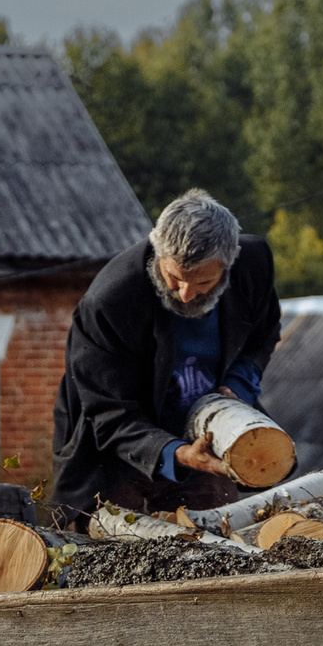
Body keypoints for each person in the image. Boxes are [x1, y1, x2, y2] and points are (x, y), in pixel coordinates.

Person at [50, 189, 284, 522]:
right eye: (174, 277)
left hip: (204, 435)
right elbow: (110, 413)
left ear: (229, 264)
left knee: (220, 539)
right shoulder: (109, 303)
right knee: (108, 551)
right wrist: (177, 453)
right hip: (116, 446)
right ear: (158, 251)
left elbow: (264, 333)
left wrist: (238, 385)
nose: (186, 294)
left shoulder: (254, 263)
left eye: (203, 281)